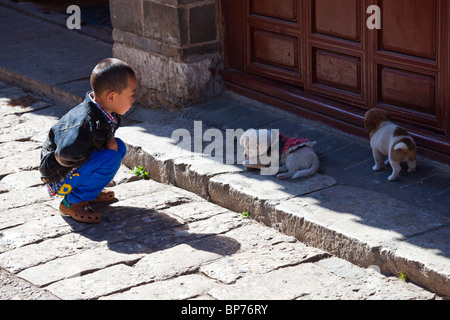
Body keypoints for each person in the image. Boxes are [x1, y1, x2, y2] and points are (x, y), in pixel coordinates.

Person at [39, 58, 137, 223]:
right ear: (112, 97)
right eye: (131, 96)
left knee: (118, 147)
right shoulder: (83, 124)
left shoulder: (105, 111)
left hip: (74, 166)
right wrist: (91, 157)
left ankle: (89, 190)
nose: (133, 100)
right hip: (59, 175)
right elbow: (64, 154)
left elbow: (105, 131)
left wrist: (108, 140)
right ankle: (72, 201)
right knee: (110, 158)